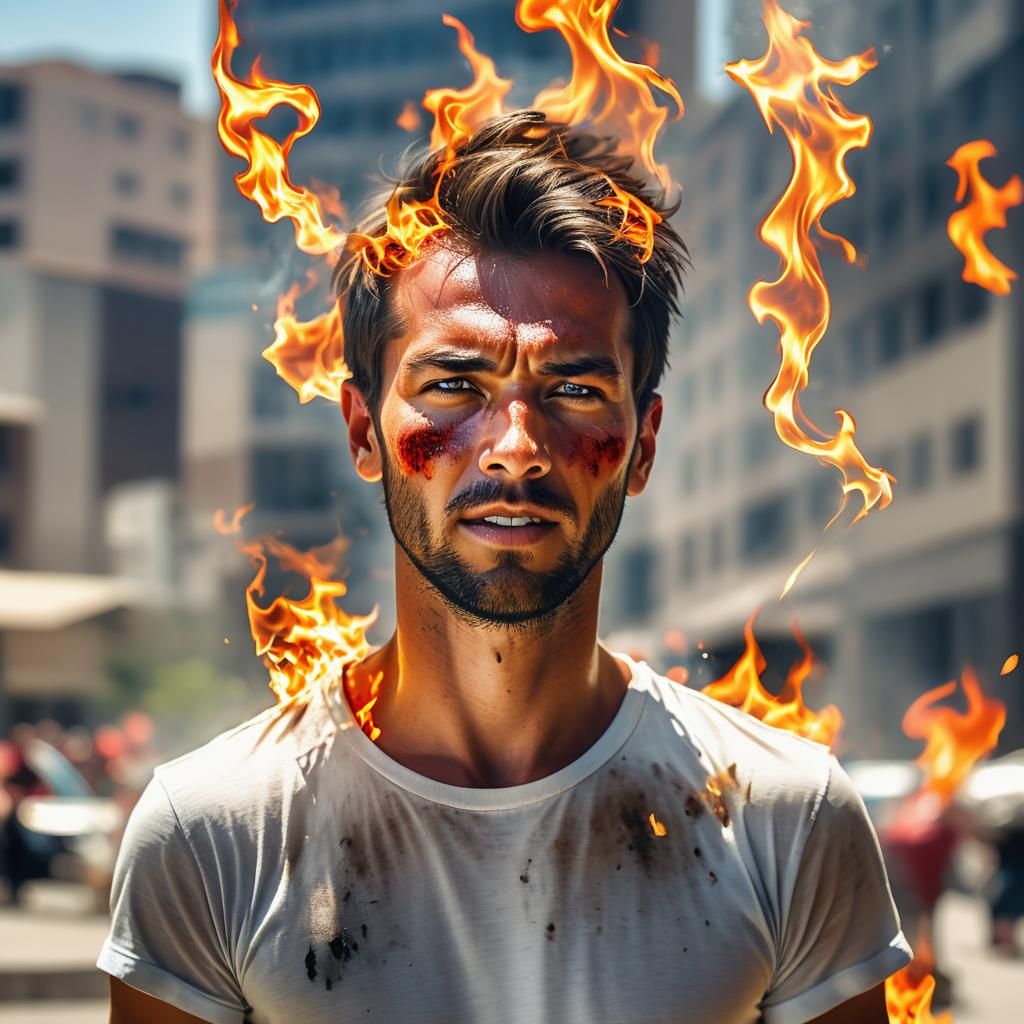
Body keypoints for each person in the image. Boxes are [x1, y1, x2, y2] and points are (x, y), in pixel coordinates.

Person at [99, 112, 911, 1023]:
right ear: (364, 431)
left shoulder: (787, 816)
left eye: (575, 390)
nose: (517, 447)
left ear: (642, 444)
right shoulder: (210, 830)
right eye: (454, 386)